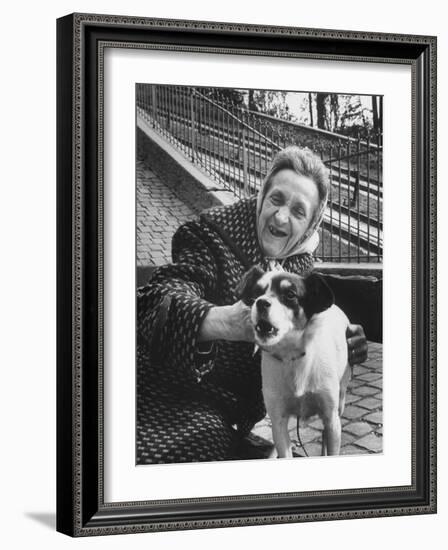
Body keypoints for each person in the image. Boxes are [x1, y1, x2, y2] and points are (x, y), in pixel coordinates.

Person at [136, 146, 368, 464]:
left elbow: (308, 343)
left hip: (231, 417)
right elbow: (154, 303)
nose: (282, 216)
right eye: (276, 199)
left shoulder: (300, 275)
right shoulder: (209, 237)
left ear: (311, 227)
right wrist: (223, 321)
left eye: (299, 211)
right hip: (164, 400)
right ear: (261, 197)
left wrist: (343, 343)